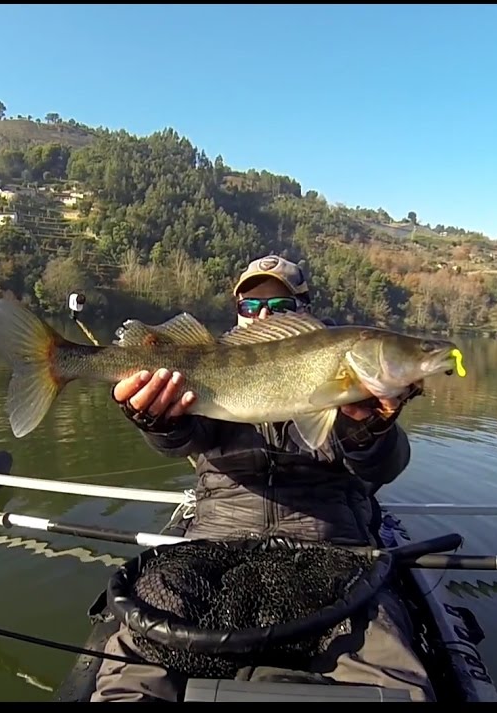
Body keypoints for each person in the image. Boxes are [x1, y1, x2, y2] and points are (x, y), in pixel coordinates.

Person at [90, 254, 435, 702]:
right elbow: (183, 440)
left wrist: (370, 426)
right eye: (250, 307)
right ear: (237, 313)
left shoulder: (351, 367)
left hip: (332, 546)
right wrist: (158, 421)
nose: (264, 315)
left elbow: (382, 467)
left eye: (281, 305)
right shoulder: (211, 361)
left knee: (392, 678)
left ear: (305, 309)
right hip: (216, 539)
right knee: (133, 667)